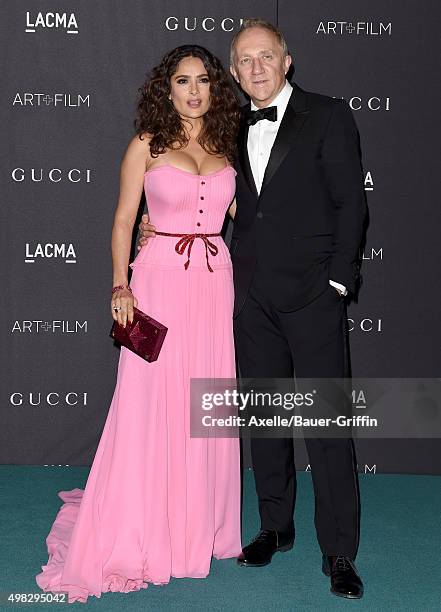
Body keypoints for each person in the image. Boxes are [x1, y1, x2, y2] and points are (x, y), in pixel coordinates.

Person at [138, 20, 367, 600]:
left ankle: (339, 552)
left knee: (326, 428)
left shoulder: (330, 114)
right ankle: (274, 527)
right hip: (251, 297)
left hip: (315, 297)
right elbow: (206, 195)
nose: (257, 68)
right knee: (264, 421)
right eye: (245, 60)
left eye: (266, 57)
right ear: (234, 74)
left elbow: (350, 205)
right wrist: (152, 225)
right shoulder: (228, 127)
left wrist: (339, 282)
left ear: (287, 61)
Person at [35, 44, 242, 604]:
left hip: (213, 280)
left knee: (206, 398)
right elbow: (125, 219)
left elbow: (242, 214)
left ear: (214, 88)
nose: (193, 91)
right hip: (157, 283)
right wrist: (119, 285)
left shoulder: (229, 145)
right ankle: (148, 526)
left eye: (202, 80)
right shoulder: (145, 146)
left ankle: (204, 529)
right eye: (182, 81)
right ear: (166, 88)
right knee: (151, 398)